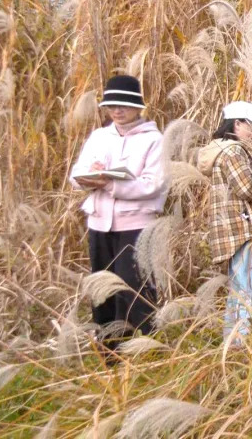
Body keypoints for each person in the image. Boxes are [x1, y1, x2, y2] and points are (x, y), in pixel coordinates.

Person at [70, 75, 167, 351]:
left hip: (136, 225)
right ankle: (109, 354)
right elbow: (75, 175)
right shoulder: (100, 137)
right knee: (102, 290)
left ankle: (145, 351)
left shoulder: (154, 140)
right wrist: (90, 177)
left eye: (124, 105)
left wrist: (110, 184)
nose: (117, 110)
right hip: (100, 224)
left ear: (138, 107)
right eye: (112, 105)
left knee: (135, 291)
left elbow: (154, 184)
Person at [196, 101, 252, 341]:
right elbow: (249, 189)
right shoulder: (233, 151)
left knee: (239, 289)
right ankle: (246, 343)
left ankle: (233, 342)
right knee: (251, 289)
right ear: (237, 124)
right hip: (243, 229)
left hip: (230, 231)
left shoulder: (219, 151)